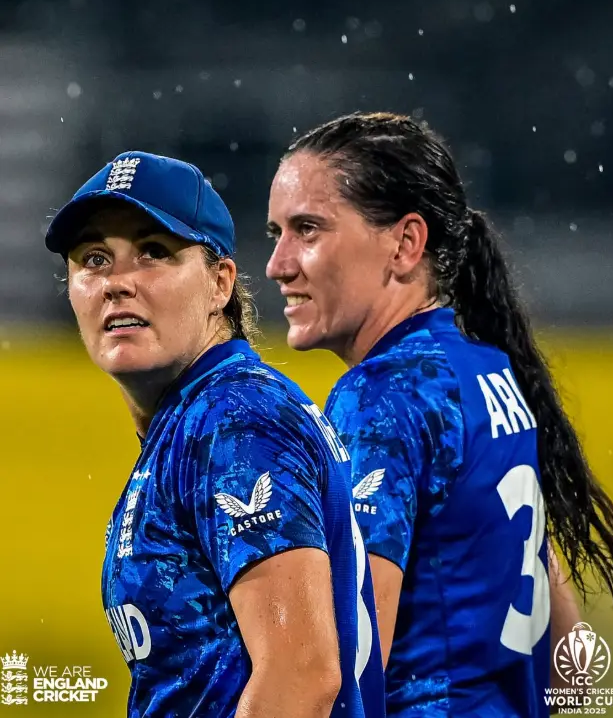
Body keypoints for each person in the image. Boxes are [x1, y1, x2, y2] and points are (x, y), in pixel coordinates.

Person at [265, 112, 613, 717]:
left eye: (307, 230)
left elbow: (352, 666)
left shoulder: (382, 396)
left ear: (406, 243)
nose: (278, 264)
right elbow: (568, 648)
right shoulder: (489, 372)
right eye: (276, 232)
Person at [44, 151, 385, 718]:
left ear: (220, 282)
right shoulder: (196, 417)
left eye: (154, 252)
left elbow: (300, 676)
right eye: (94, 259)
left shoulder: (234, 419)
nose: (117, 283)